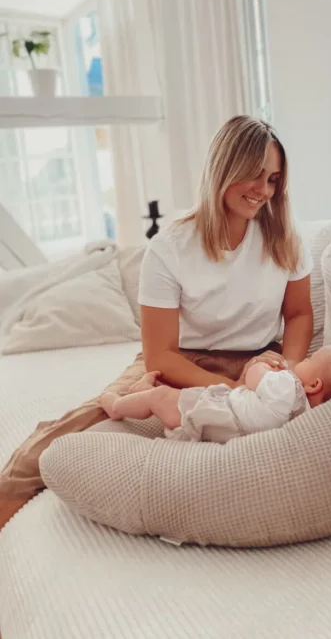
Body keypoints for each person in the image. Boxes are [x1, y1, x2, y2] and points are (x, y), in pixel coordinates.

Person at [0, 116, 314, 530]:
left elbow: (299, 314)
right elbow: (160, 355)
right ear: (225, 167)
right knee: (90, 416)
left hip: (258, 358)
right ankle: (7, 494)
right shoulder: (170, 247)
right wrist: (229, 390)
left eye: (272, 179)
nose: (263, 190)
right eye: (254, 174)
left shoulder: (285, 238)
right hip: (181, 359)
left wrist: (287, 369)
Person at [100, 346, 331, 442]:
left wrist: (264, 365)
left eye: (309, 360)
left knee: (160, 399)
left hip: (215, 413)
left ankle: (118, 405)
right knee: (172, 400)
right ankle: (145, 393)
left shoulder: (288, 386)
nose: (302, 361)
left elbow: (253, 378)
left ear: (314, 385)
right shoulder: (308, 418)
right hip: (221, 428)